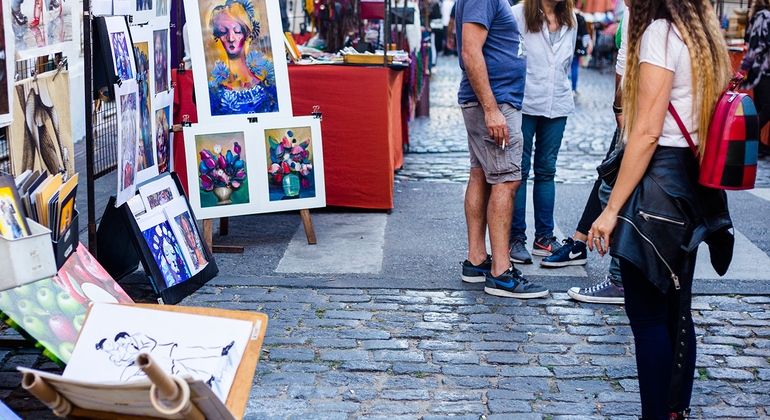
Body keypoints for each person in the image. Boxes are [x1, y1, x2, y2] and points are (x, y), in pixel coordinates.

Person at [587, 0, 732, 418]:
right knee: (676, 311)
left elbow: (648, 132)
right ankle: (675, 411)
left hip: (658, 187)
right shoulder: (702, 33)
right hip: (691, 181)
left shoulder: (659, 34)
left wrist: (611, 209)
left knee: (649, 317)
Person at [456, 0, 548, 298]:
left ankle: (477, 261)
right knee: (507, 181)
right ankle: (501, 273)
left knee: (481, 174)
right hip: (494, 103)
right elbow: (471, 51)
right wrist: (492, 109)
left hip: (492, 101)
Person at [545, 1, 628, 305]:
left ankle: (621, 279)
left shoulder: (654, 17)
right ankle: (581, 243)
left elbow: (628, 63)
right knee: (607, 177)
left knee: (618, 187)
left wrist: (621, 109)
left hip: (637, 118)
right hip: (631, 114)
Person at [508, 0, 576, 265]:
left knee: (547, 171)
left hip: (556, 104)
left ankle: (544, 238)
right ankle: (515, 239)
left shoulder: (571, 19)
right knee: (519, 171)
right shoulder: (517, 15)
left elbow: (565, 63)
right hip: (524, 103)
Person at [208, 0, 278, 115]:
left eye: (237, 31)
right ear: (218, 36)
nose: (231, 38)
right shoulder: (215, 90)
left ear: (246, 34)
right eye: (223, 32)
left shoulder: (267, 87)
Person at [739, 0, 770, 156]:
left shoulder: (760, 17)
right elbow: (756, 46)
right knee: (767, 109)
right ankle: (749, 137)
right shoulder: (765, 16)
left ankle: (756, 145)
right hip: (763, 71)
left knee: (760, 109)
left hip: (759, 71)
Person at [570, 8, 592, 94]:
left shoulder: (565, 13)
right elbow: (585, 33)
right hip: (577, 46)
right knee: (574, 66)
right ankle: (573, 88)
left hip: (568, 45)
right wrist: (589, 44)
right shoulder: (580, 17)